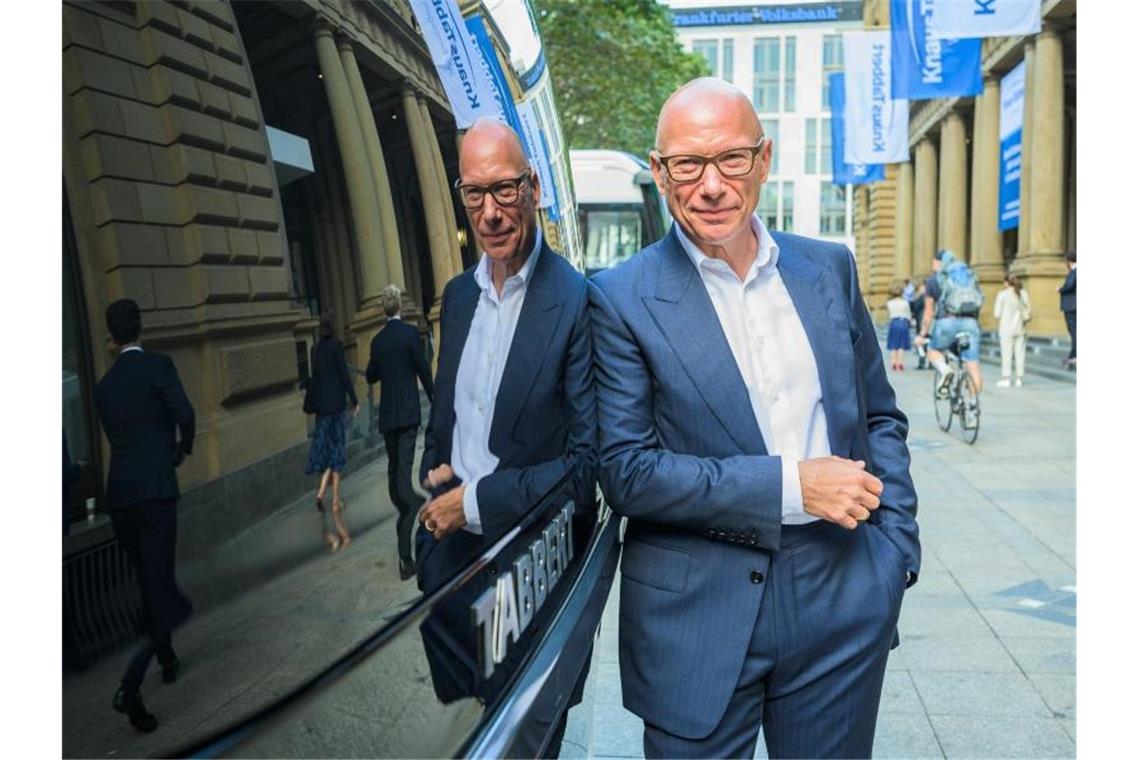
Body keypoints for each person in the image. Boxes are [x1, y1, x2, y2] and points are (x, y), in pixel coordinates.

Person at [588, 78, 919, 759]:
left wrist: (894, 556)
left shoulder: (828, 269)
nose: (711, 185)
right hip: (694, 613)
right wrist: (794, 487)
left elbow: (879, 416)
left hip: (840, 590)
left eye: (731, 159)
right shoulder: (619, 299)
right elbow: (627, 471)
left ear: (763, 160)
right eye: (687, 164)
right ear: (659, 172)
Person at [413, 119, 597, 746]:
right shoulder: (457, 297)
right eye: (473, 194)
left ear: (534, 188)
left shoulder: (576, 302)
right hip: (455, 566)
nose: (489, 213)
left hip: (532, 566)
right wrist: (434, 479)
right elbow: (446, 420)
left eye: (504, 191)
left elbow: (586, 466)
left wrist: (471, 502)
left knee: (525, 737)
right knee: (479, 724)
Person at [94, 298, 195, 733]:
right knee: (168, 599)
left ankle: (167, 655)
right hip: (155, 495)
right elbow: (185, 415)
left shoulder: (103, 386)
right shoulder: (159, 366)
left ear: (111, 338)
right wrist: (179, 450)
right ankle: (130, 687)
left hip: (120, 499)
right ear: (140, 329)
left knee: (150, 584)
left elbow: (121, 436)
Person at [366, 284, 434, 580]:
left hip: (389, 418)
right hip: (407, 415)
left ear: (384, 309)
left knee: (396, 473)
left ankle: (407, 505)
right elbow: (423, 370)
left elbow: (371, 375)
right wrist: (436, 401)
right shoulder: (409, 335)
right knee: (404, 479)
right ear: (400, 308)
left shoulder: (377, 341)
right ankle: (407, 554)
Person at [305, 309, 359, 552]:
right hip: (336, 406)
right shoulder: (337, 346)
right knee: (337, 453)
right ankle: (335, 499)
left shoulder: (315, 350)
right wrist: (354, 399)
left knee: (326, 451)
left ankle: (320, 492)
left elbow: (314, 379)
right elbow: (344, 376)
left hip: (321, 410)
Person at [917, 250, 985, 411]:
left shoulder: (934, 280)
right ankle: (973, 405)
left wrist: (922, 334)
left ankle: (945, 370)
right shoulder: (969, 276)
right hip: (970, 322)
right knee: (972, 365)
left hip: (946, 323)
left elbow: (928, 312)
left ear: (938, 263)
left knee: (933, 351)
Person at [993, 273, 1031, 387]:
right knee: (1020, 353)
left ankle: (1006, 378)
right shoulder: (1024, 294)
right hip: (1020, 328)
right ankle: (1019, 379)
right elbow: (1028, 311)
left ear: (1006, 283)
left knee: (1006, 353)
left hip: (1006, 329)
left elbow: (997, 314)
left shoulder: (1002, 295)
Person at [885, 282, 912, 371]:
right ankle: (900, 363)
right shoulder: (905, 302)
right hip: (903, 322)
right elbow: (908, 314)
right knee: (901, 345)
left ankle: (893, 363)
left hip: (894, 322)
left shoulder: (889, 303)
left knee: (893, 344)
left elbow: (889, 314)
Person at [1058, 250, 1076, 367]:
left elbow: (1069, 286)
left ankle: (1074, 356)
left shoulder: (1074, 272)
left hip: (1072, 306)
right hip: (1074, 306)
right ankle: (1073, 355)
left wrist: (1060, 289)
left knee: (1074, 331)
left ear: (1069, 261)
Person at [909, 279, 928, 369]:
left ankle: (922, 360)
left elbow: (915, 308)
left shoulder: (922, 297)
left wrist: (916, 298)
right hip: (926, 322)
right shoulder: (929, 296)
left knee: (920, 342)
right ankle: (928, 362)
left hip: (922, 322)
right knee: (926, 341)